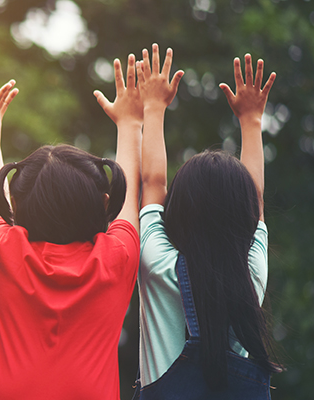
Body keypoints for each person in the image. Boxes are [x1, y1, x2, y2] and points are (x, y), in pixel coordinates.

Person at [0, 73, 142, 399]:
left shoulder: (2, 252)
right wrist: (130, 123)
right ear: (104, 203)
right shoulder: (116, 258)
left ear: (17, 207)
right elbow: (131, 192)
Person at [135, 46, 282, 398]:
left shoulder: (158, 264)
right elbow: (256, 201)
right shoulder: (252, 273)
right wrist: (252, 120)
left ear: (178, 209)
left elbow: (153, 183)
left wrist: (153, 107)